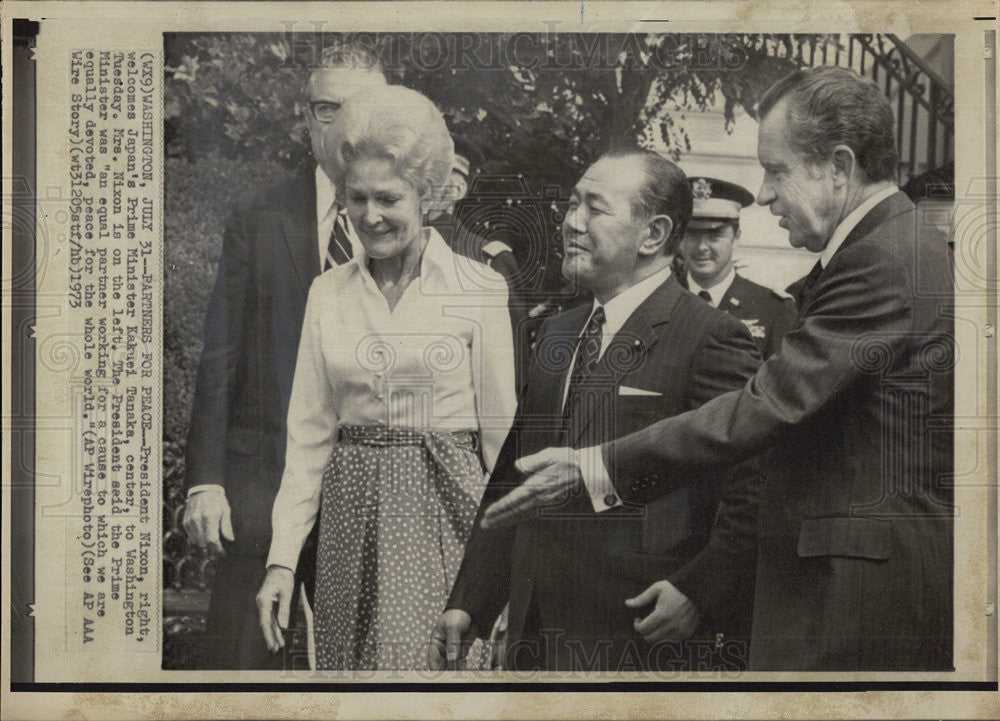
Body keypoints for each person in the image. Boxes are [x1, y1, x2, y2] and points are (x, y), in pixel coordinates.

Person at [482, 67, 955, 671]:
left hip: (858, 600)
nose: (764, 194)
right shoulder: (891, 247)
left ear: (840, 165)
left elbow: (769, 405)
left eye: (777, 169)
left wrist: (596, 465)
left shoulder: (883, 259)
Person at [430, 148, 763, 672]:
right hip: (534, 635)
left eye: (594, 208)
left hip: (636, 639)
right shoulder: (559, 333)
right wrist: (471, 601)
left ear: (653, 235)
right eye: (571, 205)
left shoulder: (710, 337)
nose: (571, 223)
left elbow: (752, 490)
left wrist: (698, 591)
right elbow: (514, 478)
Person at [255, 85, 517, 671]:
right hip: (349, 511)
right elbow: (309, 437)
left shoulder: (478, 287)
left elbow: (501, 442)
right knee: (351, 678)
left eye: (389, 198)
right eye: (357, 198)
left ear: (426, 194)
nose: (370, 216)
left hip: (443, 507)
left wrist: (503, 579)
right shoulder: (328, 292)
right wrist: (282, 560)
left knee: (429, 676)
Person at [181, 43, 386, 669]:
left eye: (360, 107)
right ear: (305, 118)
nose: (344, 124)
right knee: (238, 668)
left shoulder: (410, 222)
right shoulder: (260, 215)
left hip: (371, 486)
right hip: (260, 485)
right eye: (327, 108)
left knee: (364, 671)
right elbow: (221, 353)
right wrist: (206, 481)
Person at [676, 176, 797, 358]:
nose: (702, 247)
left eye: (714, 235)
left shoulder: (773, 309)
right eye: (692, 234)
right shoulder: (659, 299)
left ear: (736, 237)